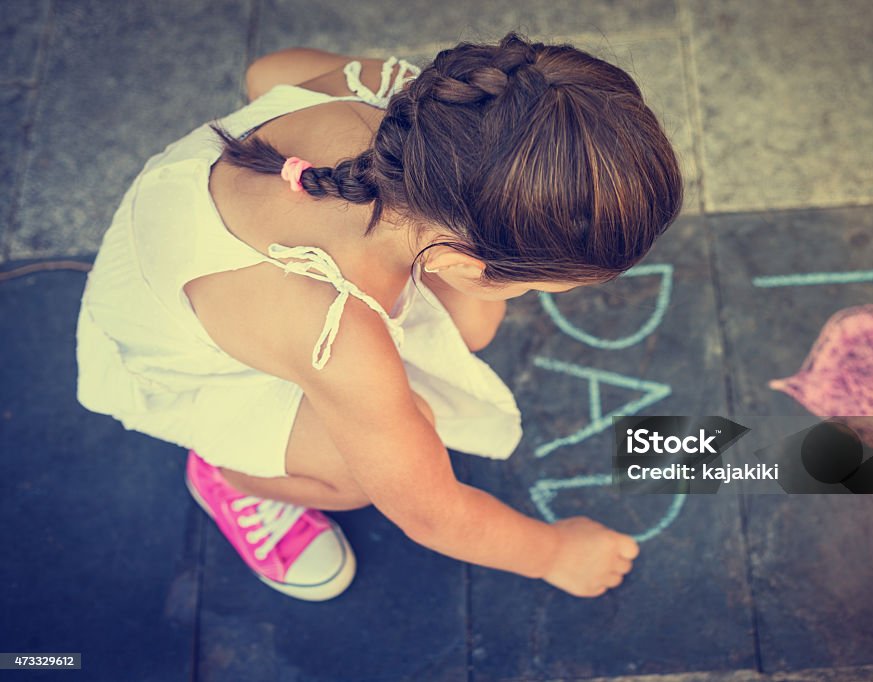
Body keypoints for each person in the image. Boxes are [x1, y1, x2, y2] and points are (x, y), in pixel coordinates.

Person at [75, 31, 683, 602]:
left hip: (187, 238)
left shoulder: (399, 98)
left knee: (468, 327)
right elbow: (429, 511)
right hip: (182, 355)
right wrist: (552, 552)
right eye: (540, 284)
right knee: (357, 475)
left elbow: (267, 73)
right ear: (457, 259)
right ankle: (229, 477)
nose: (546, 293)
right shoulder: (336, 338)